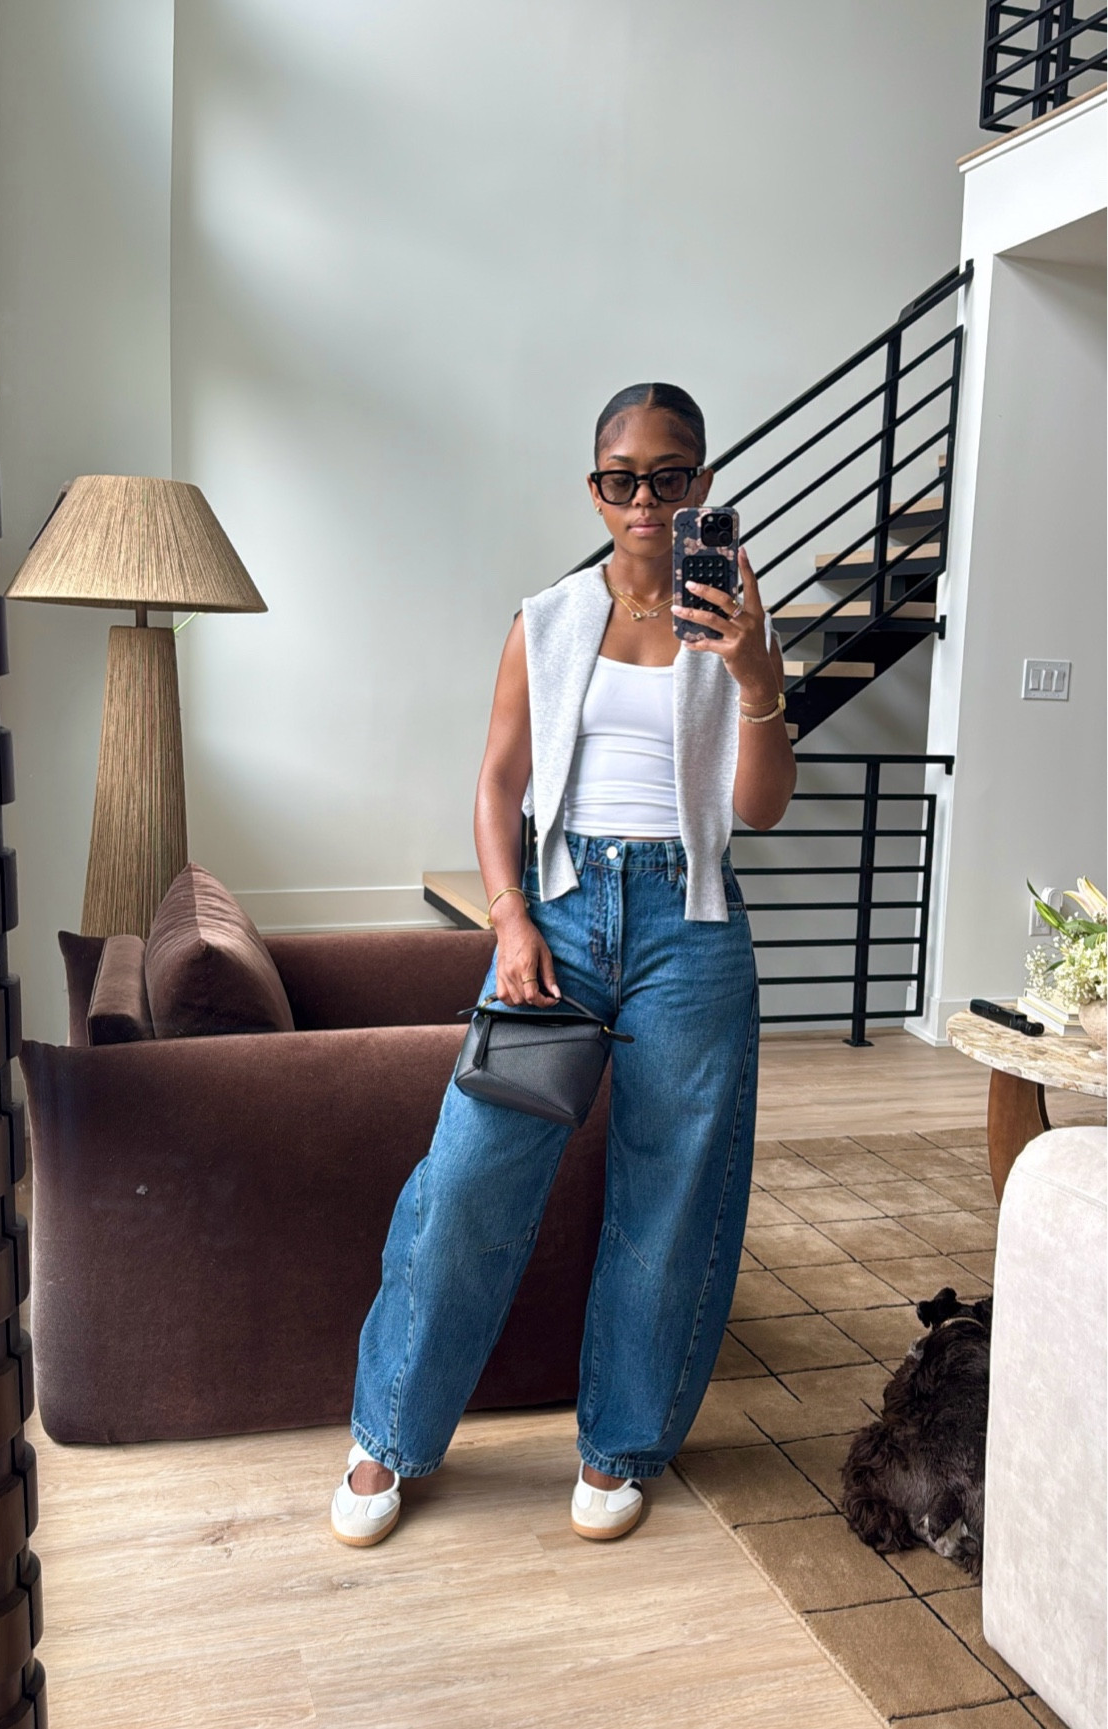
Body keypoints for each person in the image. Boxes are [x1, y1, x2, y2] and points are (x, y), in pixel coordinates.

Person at [331, 382, 796, 1547]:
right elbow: (498, 785)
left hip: (693, 927)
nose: (646, 498)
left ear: (702, 484)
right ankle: (390, 1431)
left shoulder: (738, 619)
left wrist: (756, 680)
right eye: (622, 477)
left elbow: (761, 808)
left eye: (670, 475)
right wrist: (509, 919)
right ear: (594, 490)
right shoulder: (544, 620)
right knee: (468, 1178)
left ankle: (618, 1443)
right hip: (562, 915)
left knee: (673, 1197)